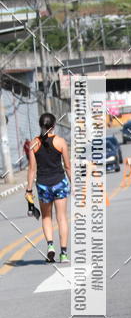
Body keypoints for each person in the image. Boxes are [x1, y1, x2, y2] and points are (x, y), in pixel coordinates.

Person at [26, 112, 72, 263]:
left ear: (40, 126)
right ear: (54, 126)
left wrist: (29, 189)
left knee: (46, 217)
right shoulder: (61, 142)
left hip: (43, 185)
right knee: (62, 218)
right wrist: (74, 184)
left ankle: (50, 246)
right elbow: (68, 166)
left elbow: (32, 169)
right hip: (59, 182)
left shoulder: (33, 144)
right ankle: (64, 253)